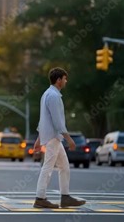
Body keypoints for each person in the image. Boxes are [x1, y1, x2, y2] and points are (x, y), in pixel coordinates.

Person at [33, 68, 86, 208]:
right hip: (53, 138)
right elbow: (57, 122)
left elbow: (43, 120)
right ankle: (40, 198)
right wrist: (69, 139)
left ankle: (65, 197)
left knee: (64, 167)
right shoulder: (54, 96)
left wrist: (38, 140)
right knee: (48, 167)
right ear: (58, 80)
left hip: (52, 137)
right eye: (64, 78)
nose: (66, 81)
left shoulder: (46, 94)